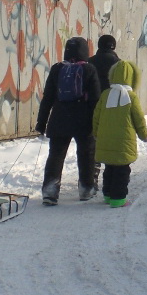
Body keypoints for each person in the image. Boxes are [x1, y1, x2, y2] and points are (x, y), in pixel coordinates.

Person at [36, 36, 102, 205]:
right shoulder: (89, 70)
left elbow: (48, 98)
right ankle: (86, 189)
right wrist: (98, 123)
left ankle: (50, 191)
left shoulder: (57, 69)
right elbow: (95, 99)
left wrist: (41, 123)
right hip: (83, 120)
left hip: (59, 118)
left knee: (56, 155)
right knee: (86, 154)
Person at [93, 60, 147, 208]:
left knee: (109, 168)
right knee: (122, 171)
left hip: (106, 140)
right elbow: (139, 119)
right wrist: (144, 135)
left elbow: (96, 116)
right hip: (123, 142)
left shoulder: (105, 95)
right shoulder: (131, 97)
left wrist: (96, 132)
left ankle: (107, 195)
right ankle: (118, 199)